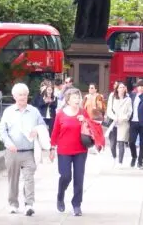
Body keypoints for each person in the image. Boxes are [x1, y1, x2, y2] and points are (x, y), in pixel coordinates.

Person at [49, 87, 102, 216]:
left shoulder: (83, 112)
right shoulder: (60, 113)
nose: (77, 99)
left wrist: (85, 121)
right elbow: (55, 131)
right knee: (66, 176)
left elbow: (93, 127)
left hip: (80, 150)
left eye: (78, 97)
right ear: (67, 100)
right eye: (74, 97)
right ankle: (60, 195)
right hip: (64, 150)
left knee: (79, 178)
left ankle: (76, 205)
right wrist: (52, 147)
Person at [0, 82, 46, 216]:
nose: (23, 97)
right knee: (13, 179)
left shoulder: (34, 111)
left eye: (25, 94)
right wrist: (8, 143)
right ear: (14, 96)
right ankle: (13, 203)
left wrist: (37, 130)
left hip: (29, 152)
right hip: (12, 151)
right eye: (20, 95)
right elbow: (2, 131)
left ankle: (29, 204)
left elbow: (43, 126)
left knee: (29, 178)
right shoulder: (8, 112)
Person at [105, 82, 132, 166]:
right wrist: (114, 117)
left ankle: (120, 162)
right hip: (113, 122)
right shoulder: (112, 97)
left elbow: (129, 112)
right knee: (112, 144)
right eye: (120, 87)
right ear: (117, 89)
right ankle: (114, 157)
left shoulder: (128, 99)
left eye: (123, 87)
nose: (122, 89)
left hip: (123, 123)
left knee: (121, 143)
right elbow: (109, 109)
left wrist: (123, 118)